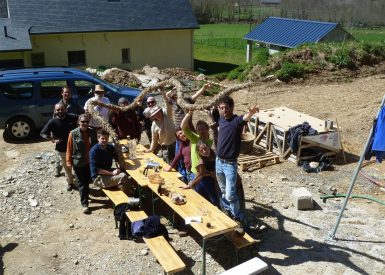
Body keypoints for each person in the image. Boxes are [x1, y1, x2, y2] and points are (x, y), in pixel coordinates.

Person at [215, 96, 258, 236]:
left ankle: (238, 218)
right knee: (223, 191)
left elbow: (244, 118)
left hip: (229, 164)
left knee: (230, 195)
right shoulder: (220, 119)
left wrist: (251, 113)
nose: (224, 110)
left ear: (231, 108)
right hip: (218, 162)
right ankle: (229, 213)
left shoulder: (236, 121)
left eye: (226, 108)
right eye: (222, 108)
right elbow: (211, 110)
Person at [41, 103, 77, 191]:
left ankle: (79, 181)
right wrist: (53, 140)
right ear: (55, 110)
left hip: (75, 146)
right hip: (62, 148)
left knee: (77, 165)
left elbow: (83, 119)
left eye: (62, 109)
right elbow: (43, 133)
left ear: (65, 109)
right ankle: (70, 183)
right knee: (67, 166)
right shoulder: (52, 122)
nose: (60, 111)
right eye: (58, 110)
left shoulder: (72, 117)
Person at [66, 114, 97, 214]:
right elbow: (69, 148)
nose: (85, 124)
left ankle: (85, 195)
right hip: (78, 162)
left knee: (88, 181)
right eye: (82, 122)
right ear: (78, 122)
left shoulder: (92, 132)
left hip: (90, 162)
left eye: (86, 122)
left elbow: (96, 146)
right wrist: (68, 161)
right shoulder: (73, 133)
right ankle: (85, 204)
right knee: (82, 183)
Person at [53, 86, 84, 177]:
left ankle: (74, 171)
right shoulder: (58, 105)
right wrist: (53, 135)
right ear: (62, 93)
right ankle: (58, 169)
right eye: (65, 92)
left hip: (71, 132)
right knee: (60, 153)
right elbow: (54, 119)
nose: (67, 94)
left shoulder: (74, 104)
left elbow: (82, 114)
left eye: (69, 93)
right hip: (60, 133)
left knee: (72, 152)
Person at [182, 140, 219, 208]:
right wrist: (190, 185)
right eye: (201, 151)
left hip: (215, 181)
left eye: (205, 148)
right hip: (205, 183)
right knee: (212, 201)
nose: (204, 151)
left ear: (208, 147)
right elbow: (200, 175)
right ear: (199, 152)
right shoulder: (201, 162)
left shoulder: (215, 156)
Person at [180, 109, 213, 180]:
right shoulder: (194, 138)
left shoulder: (212, 142)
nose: (201, 131)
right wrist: (189, 114)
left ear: (207, 129)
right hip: (194, 174)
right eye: (199, 129)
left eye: (203, 128)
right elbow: (183, 126)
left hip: (207, 173)